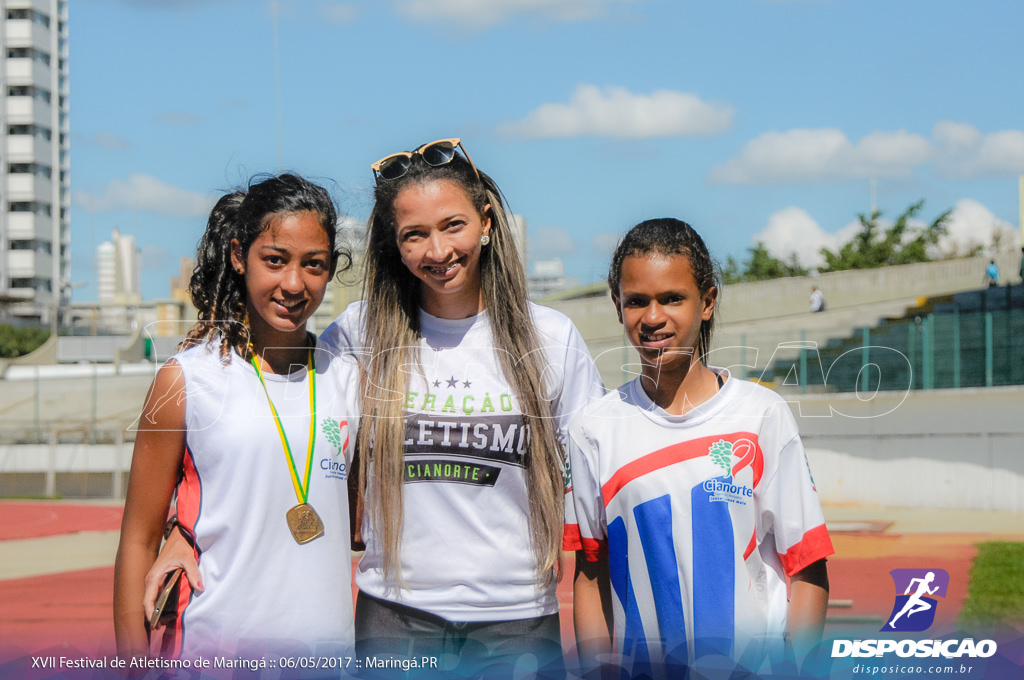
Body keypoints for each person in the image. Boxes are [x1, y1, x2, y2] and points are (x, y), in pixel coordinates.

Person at [321, 137, 604, 676]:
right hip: (395, 619)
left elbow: (595, 478)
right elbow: (283, 426)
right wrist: (182, 528)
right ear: (395, 245)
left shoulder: (552, 337)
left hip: (518, 619)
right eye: (415, 235)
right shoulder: (357, 334)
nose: (437, 250)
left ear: (488, 222)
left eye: (453, 225)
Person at [568, 218, 832, 678]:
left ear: (707, 302)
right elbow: (591, 571)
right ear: (618, 306)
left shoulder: (762, 415)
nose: (653, 318)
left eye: (672, 298)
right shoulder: (593, 429)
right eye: (636, 301)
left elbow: (807, 567)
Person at [113, 174, 359, 660]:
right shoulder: (187, 378)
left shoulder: (348, 377)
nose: (294, 283)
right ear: (237, 256)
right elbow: (136, 542)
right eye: (275, 260)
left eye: (314, 265)